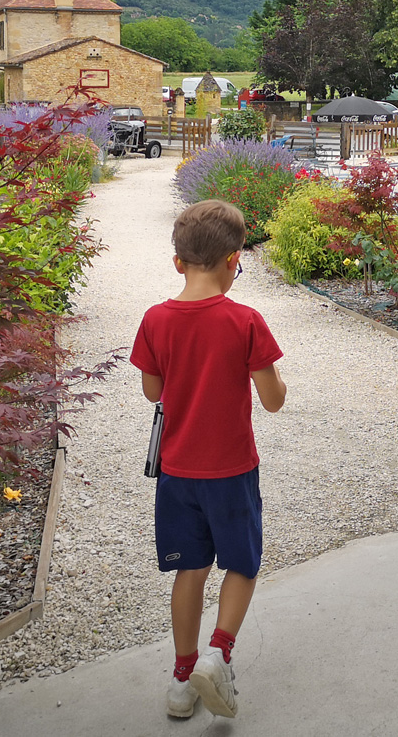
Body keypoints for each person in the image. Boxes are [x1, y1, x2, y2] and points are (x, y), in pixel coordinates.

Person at [132, 199, 287, 719]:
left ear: (178, 262)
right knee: (241, 563)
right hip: (232, 470)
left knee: (190, 569)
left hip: (177, 473)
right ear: (234, 259)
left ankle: (182, 681)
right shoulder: (245, 320)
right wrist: (275, 376)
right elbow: (272, 399)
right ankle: (218, 653)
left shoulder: (155, 320)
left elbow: (153, 392)